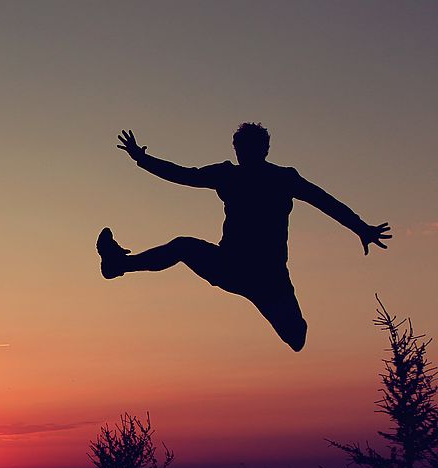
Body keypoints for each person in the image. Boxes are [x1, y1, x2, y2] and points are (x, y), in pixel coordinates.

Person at [98, 123, 391, 351]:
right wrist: (143, 159)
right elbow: (183, 175)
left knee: (296, 337)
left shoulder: (280, 178)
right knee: (182, 246)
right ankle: (117, 265)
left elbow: (324, 201)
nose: (244, 153)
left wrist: (361, 227)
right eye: (241, 148)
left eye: (249, 148)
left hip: (266, 277)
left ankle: (117, 266)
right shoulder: (233, 175)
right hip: (235, 266)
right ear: (239, 149)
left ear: (263, 149)